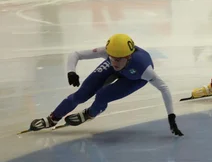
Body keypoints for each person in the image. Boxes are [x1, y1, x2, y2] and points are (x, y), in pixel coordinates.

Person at [29, 34, 183, 136]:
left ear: (129, 56)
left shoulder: (145, 70)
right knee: (81, 94)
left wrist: (171, 116)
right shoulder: (109, 54)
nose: (114, 62)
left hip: (134, 78)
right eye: (112, 58)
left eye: (118, 59)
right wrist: (71, 72)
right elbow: (75, 54)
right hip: (126, 69)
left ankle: (90, 113)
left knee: (102, 96)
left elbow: (164, 88)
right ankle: (53, 118)